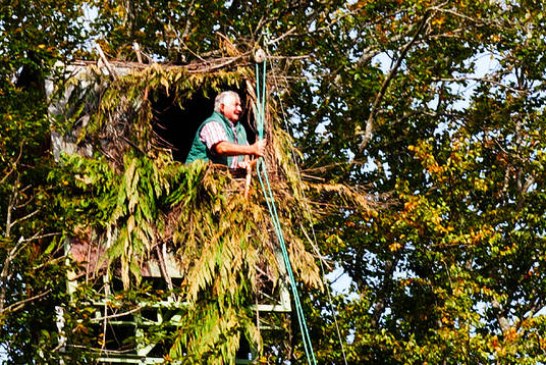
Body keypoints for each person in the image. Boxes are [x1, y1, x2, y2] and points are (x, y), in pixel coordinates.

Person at [185, 91, 266, 169]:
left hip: (225, 179)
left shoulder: (240, 130)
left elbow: (246, 156)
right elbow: (221, 148)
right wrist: (252, 149)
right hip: (198, 176)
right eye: (236, 105)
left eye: (240, 105)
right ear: (222, 107)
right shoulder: (212, 124)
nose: (240, 109)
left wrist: (245, 164)